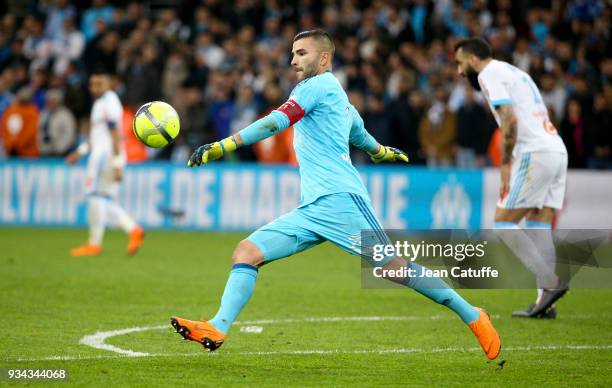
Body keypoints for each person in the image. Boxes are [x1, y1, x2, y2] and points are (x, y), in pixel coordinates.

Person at [171, 30, 501, 360]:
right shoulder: (335, 97)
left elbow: (275, 123)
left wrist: (222, 145)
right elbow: (361, 135)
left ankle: (472, 314)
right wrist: (382, 152)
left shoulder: (319, 87)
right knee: (247, 252)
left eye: (301, 53)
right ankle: (217, 326)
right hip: (312, 208)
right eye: (293, 53)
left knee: (393, 268)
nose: (293, 60)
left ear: (324, 58)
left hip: (342, 200)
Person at [455, 38, 568, 318]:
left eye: (459, 63)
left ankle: (550, 283)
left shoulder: (487, 74)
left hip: (535, 152)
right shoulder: (514, 72)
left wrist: (506, 164)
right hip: (556, 148)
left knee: (503, 223)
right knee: (539, 224)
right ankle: (546, 304)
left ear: (472, 59)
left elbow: (510, 119)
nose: (458, 71)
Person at [65, 70, 144, 257]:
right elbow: (97, 136)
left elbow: (116, 134)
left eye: (98, 83)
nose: (94, 88)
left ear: (108, 84)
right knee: (104, 199)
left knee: (94, 196)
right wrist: (80, 152)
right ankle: (133, 229)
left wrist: (117, 163)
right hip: (105, 154)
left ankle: (94, 244)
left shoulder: (108, 103)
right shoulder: (104, 102)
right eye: (92, 84)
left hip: (105, 157)